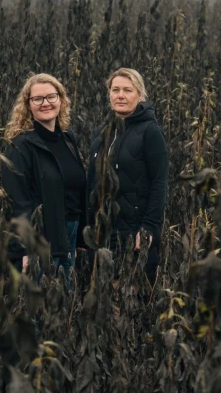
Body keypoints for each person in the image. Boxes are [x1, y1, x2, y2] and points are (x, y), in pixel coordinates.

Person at [0, 73, 88, 294]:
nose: (45, 103)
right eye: (37, 99)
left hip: (69, 233)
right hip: (42, 238)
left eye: (51, 96)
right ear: (28, 105)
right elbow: (17, 201)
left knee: (65, 300)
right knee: (42, 304)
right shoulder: (21, 146)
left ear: (61, 100)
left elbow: (76, 190)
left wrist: (79, 238)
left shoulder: (67, 139)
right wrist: (24, 248)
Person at [84, 68, 169, 284]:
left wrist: (148, 228)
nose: (120, 95)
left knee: (128, 292)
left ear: (139, 95)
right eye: (115, 90)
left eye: (127, 90)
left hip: (133, 233)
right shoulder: (102, 131)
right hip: (102, 233)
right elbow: (91, 180)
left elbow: (159, 182)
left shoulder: (150, 131)